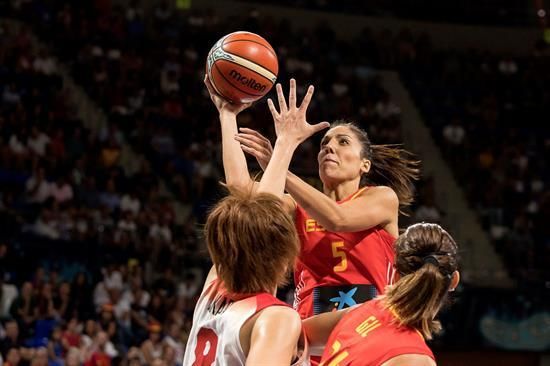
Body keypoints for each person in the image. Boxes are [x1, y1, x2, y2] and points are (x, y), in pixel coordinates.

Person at [232, 79, 420, 320]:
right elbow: (242, 191)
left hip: (370, 328)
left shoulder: (381, 197)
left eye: (343, 142)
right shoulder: (296, 205)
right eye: (324, 143)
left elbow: (337, 218)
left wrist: (280, 165)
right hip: (310, 329)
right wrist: (228, 115)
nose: (329, 147)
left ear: (365, 164)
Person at [182, 76, 332, 365]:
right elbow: (258, 217)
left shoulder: (212, 291)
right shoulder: (276, 319)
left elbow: (251, 212)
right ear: (286, 257)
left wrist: (227, 115)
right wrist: (285, 144)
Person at [320, 222, 460, 366]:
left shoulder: (358, 311)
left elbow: (298, 329)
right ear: (454, 280)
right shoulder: (415, 359)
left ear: (395, 275)